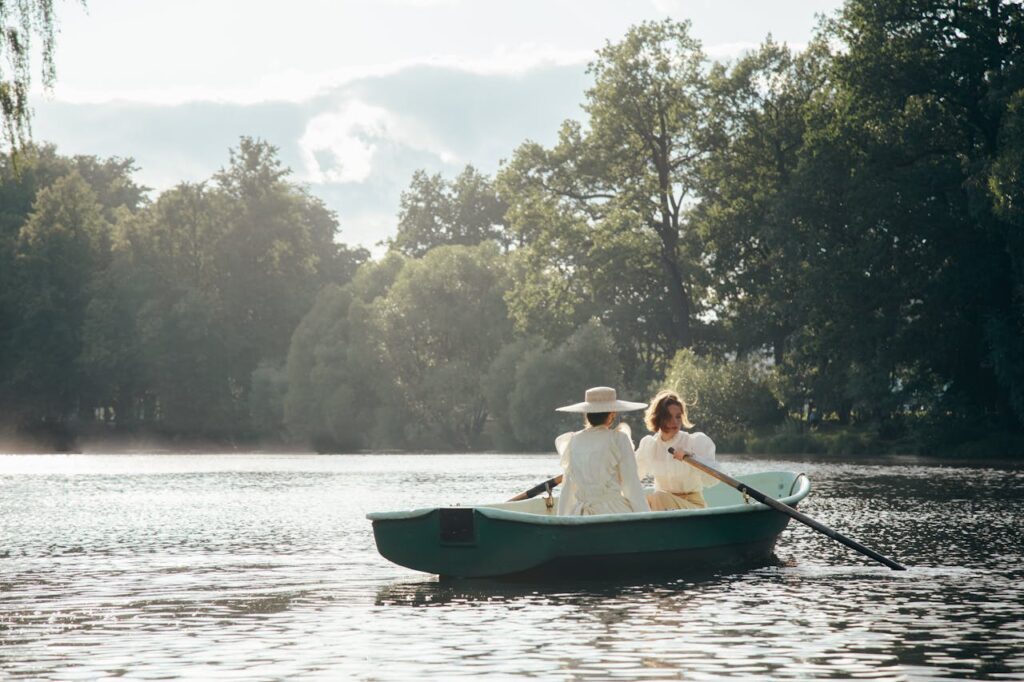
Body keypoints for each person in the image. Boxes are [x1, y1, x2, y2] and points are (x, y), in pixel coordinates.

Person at [554, 386, 651, 516]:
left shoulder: (573, 440)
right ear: (612, 414)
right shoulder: (618, 439)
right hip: (613, 512)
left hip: (580, 514)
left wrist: (562, 519)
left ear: (586, 414)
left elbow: (568, 489)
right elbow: (631, 484)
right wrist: (646, 517)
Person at [635, 390, 718, 511]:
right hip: (663, 505)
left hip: (693, 506)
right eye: (668, 417)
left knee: (658, 497)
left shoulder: (693, 442)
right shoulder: (650, 445)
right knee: (644, 501)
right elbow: (633, 476)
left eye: (678, 416)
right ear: (658, 418)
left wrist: (692, 458)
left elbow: (712, 480)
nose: (675, 422)